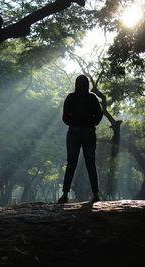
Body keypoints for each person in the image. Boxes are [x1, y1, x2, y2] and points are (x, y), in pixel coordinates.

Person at [58, 75, 103, 203]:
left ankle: (65, 194)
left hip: (73, 132)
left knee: (71, 163)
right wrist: (90, 123)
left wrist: (75, 122)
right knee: (91, 163)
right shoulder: (92, 97)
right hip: (89, 132)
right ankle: (95, 194)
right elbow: (99, 115)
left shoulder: (70, 97)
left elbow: (65, 118)